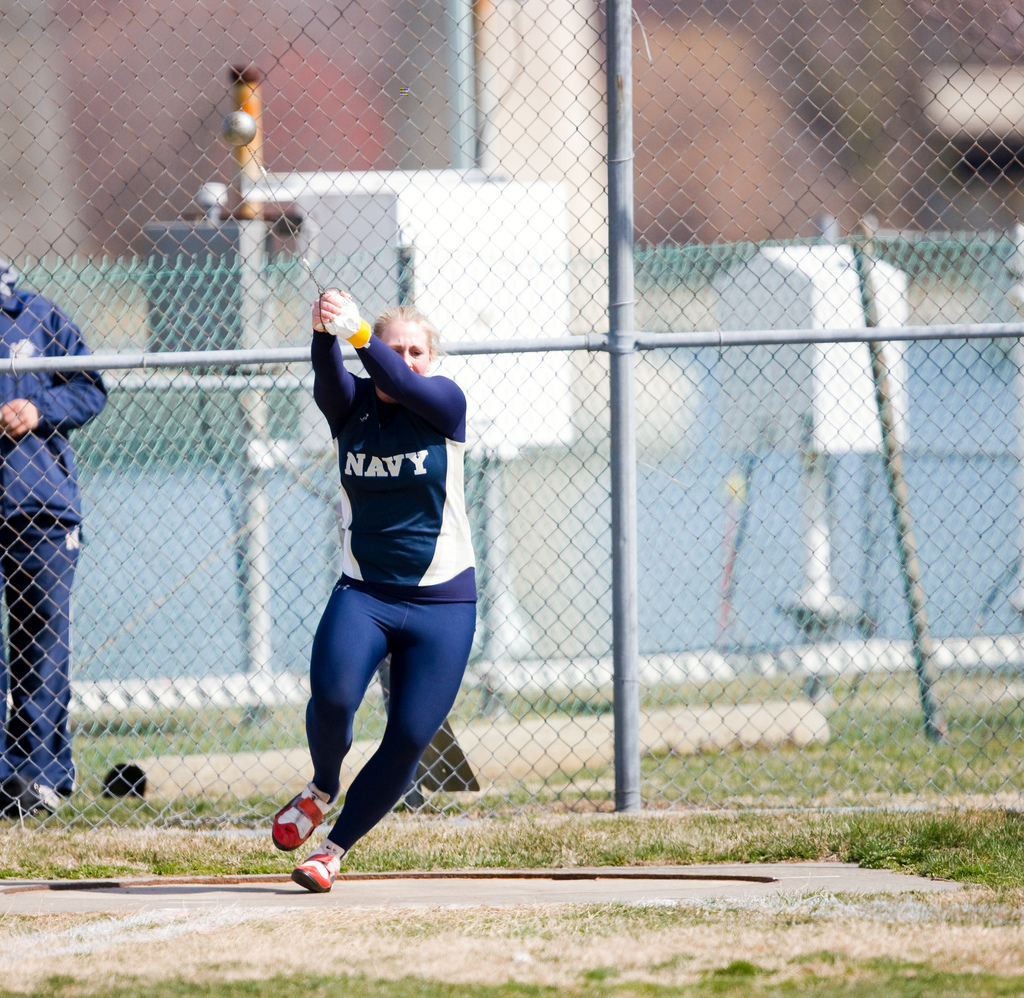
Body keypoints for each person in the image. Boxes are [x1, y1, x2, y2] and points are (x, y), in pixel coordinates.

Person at [272, 289, 476, 893]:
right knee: (334, 699)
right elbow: (328, 374)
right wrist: (323, 331)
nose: (406, 360)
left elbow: (402, 382)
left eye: (418, 351)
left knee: (409, 737)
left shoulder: (444, 403)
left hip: (443, 602)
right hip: (365, 593)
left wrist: (360, 332)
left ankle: (332, 852)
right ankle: (321, 787)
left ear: (431, 360)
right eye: (396, 348)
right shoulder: (351, 404)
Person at [0, 259, 107, 818]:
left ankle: (38, 777)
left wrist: (39, 409)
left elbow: (91, 388)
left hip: (40, 508)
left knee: (42, 646)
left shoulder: (38, 315)